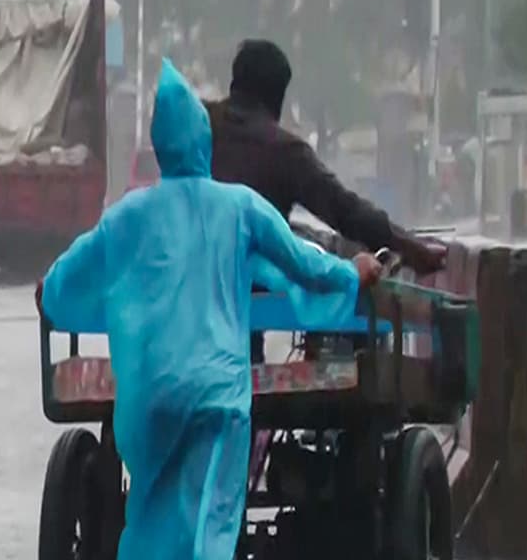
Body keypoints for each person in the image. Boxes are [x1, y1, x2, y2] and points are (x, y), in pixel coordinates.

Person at [39, 60, 381, 560]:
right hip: (216, 398)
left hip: (149, 400)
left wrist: (47, 294)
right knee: (211, 522)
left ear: (161, 146)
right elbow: (304, 263)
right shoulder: (239, 207)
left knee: (149, 514)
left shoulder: (127, 215)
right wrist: (353, 273)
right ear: (203, 141)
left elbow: (63, 280)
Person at [204, 39, 445, 360]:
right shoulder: (284, 151)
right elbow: (346, 212)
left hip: (189, 291)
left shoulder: (199, 126)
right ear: (279, 97)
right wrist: (411, 248)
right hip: (247, 295)